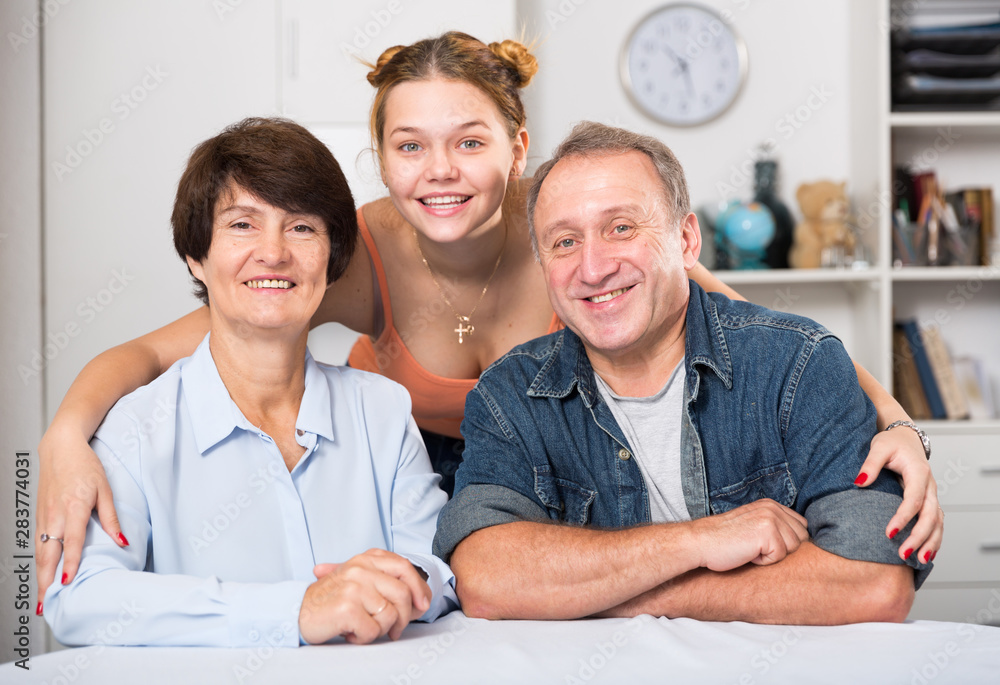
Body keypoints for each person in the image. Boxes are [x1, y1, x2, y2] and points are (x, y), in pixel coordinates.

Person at [36, 32, 940, 602]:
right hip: (421, 499)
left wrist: (897, 424)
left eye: (470, 142)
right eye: (410, 145)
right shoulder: (357, 251)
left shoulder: (575, 242)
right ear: (382, 159)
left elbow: (755, 333)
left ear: (516, 147)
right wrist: (67, 437)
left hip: (569, 485)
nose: (442, 171)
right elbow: (168, 346)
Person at [433, 122, 932, 625]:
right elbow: (484, 579)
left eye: (621, 228)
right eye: (564, 242)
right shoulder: (509, 395)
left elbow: (875, 583)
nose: (592, 268)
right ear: (543, 265)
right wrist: (699, 541)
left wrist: (603, 594)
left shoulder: (797, 365)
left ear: (686, 240)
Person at [42, 118, 456, 646]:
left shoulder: (382, 408)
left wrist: (409, 582)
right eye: (242, 225)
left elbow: (436, 566)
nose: (274, 252)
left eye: (302, 227)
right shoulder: (133, 431)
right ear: (196, 257)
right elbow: (79, 599)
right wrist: (295, 610)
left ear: (333, 263)